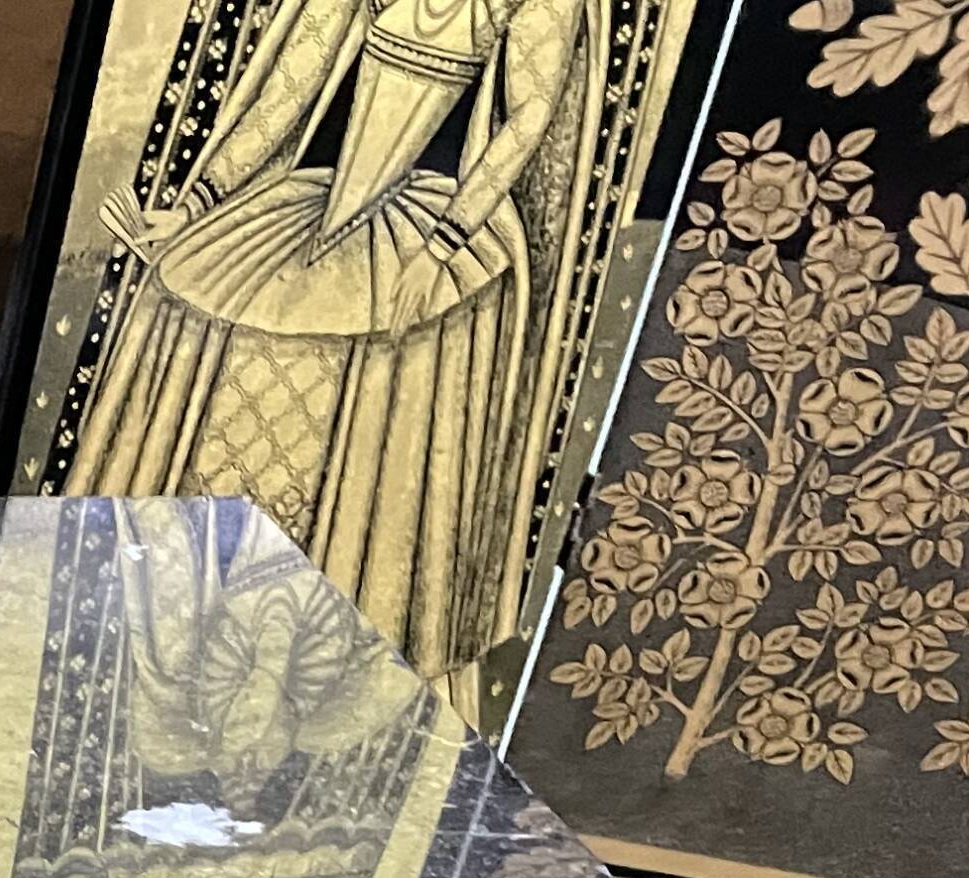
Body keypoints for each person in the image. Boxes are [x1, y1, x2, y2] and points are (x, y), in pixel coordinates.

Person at [66, 0, 592, 681]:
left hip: (440, 222)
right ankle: (180, 624)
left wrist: (445, 244)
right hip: (318, 210)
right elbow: (286, 92)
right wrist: (195, 207)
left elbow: (527, 119)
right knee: (216, 327)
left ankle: (320, 651)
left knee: (371, 374)